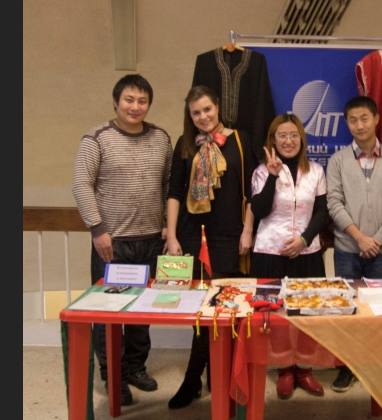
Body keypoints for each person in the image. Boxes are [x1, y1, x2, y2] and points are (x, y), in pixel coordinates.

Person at [72, 74, 172, 406]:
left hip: (151, 241)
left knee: (143, 311)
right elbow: (81, 185)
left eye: (142, 101)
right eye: (129, 99)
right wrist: (97, 229)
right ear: (116, 101)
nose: (135, 106)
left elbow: (169, 184)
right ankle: (113, 375)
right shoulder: (96, 138)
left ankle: (136, 368)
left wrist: (166, 225)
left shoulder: (161, 138)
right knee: (109, 313)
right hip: (112, 244)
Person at [165, 85, 255, 409]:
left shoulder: (241, 141)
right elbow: (175, 192)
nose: (203, 116)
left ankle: (200, 379)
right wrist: (172, 235)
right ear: (189, 116)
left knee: (220, 310)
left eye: (207, 109)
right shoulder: (185, 144)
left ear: (217, 107)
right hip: (192, 236)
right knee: (199, 309)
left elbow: (252, 190)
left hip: (229, 237)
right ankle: (206, 378)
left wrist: (248, 230)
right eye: (196, 113)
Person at [326, 96, 382, 392]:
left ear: (375, 119)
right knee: (347, 309)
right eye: (353, 120)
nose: (359, 125)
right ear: (347, 123)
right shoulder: (338, 161)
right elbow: (334, 203)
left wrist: (378, 239)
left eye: (364, 118)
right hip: (347, 249)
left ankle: (372, 365)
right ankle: (346, 367)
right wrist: (360, 238)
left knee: (377, 310)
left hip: (381, 252)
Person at [250, 114, 329, 399]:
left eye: (294, 135)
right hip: (270, 252)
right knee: (276, 315)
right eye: (282, 135)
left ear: (302, 139)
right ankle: (284, 369)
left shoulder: (316, 171)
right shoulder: (262, 172)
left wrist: (304, 239)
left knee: (308, 312)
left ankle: (305, 369)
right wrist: (272, 176)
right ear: (273, 140)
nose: (288, 141)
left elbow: (322, 211)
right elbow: (259, 211)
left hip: (307, 252)